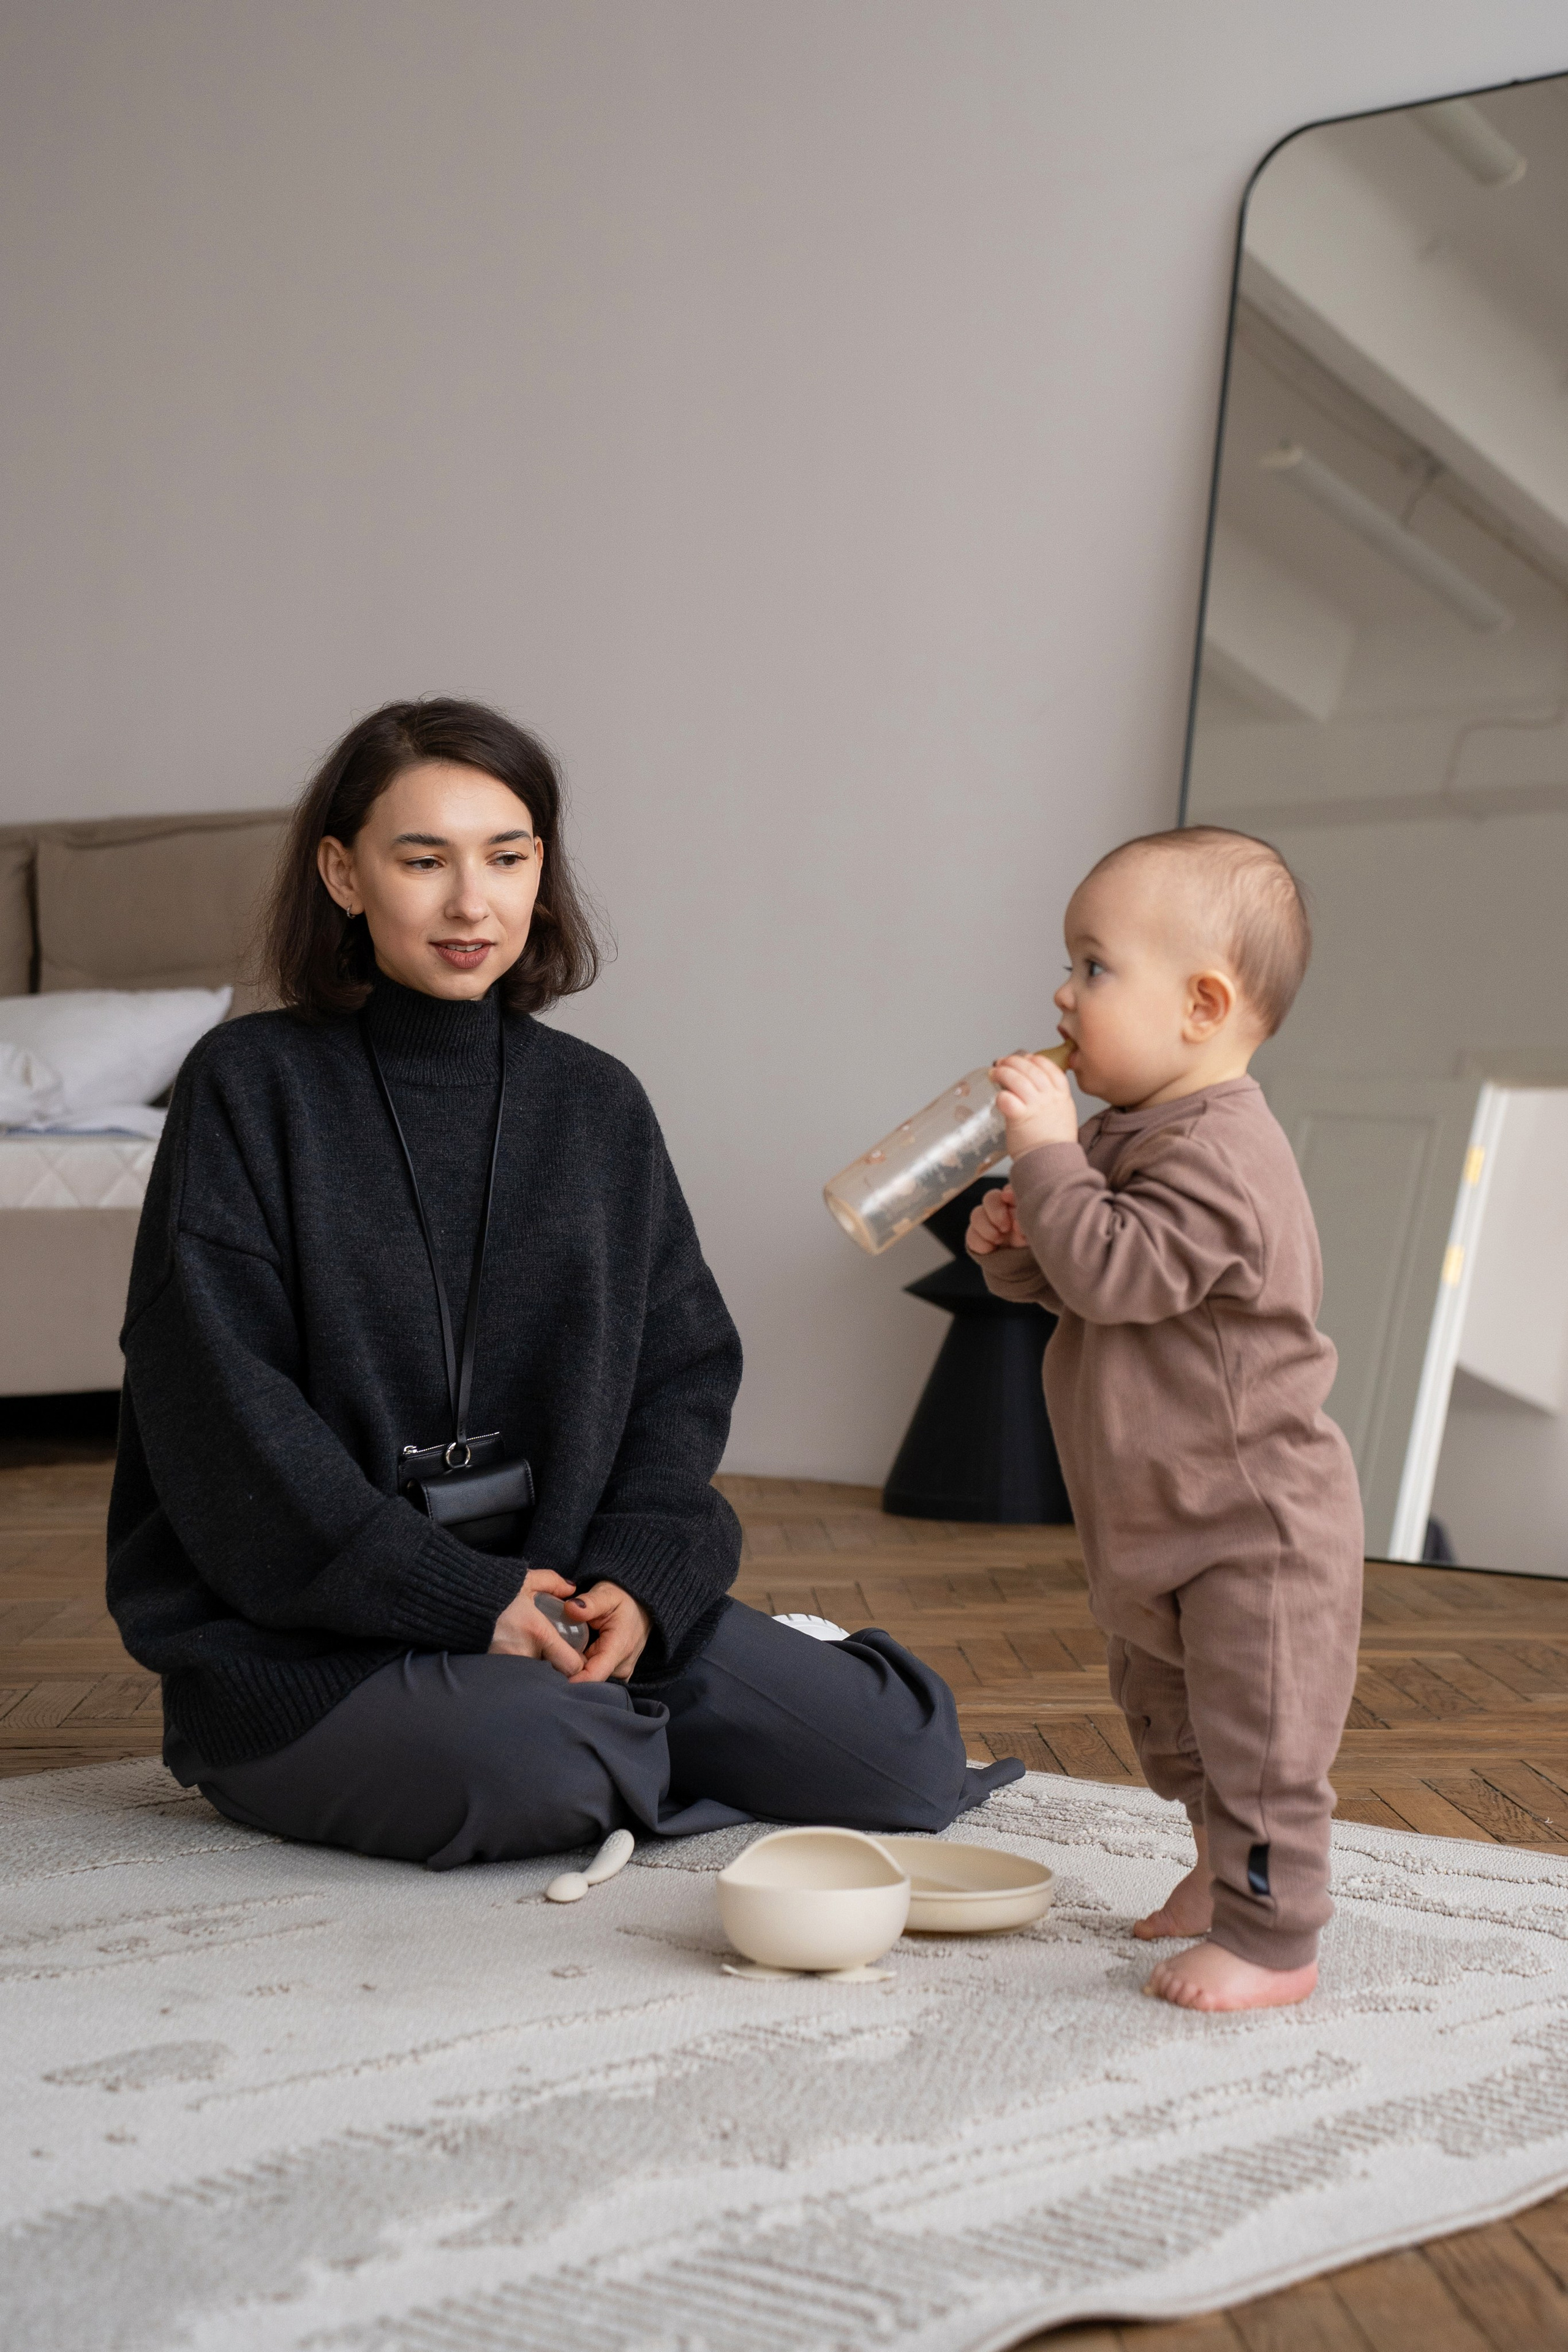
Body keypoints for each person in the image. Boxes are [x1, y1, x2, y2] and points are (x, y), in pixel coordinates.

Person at [107, 698, 1021, 1867]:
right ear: (343, 874)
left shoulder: (595, 1104)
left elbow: (682, 1372)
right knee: (540, 1765)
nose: (470, 902)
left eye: (508, 855)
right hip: (311, 1642)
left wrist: (641, 1581)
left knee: (905, 1762)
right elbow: (219, 1417)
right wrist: (457, 1600)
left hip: (569, 1610)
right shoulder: (249, 1084)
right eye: (422, 859)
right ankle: (603, 1743)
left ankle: (615, 1727)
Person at [968, 826, 1362, 2012]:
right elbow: (1083, 1279)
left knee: (1255, 1745)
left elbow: (1114, 1274)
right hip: (1154, 1515)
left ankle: (1271, 1941)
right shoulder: (1122, 1136)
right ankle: (1211, 1869)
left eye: (1092, 967)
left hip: (1252, 1528)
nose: (1059, 992)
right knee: (1176, 1730)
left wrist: (1044, 1164)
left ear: (1200, 1005)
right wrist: (1015, 1246)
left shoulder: (1224, 1155)